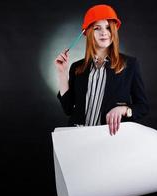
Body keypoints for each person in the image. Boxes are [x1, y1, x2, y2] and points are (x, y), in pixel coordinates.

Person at [55, 4, 149, 135]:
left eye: (108, 27)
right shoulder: (77, 67)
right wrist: (62, 73)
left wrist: (124, 109)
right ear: (88, 32)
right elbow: (68, 109)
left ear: (114, 31)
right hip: (78, 139)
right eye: (97, 28)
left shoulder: (130, 65)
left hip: (110, 140)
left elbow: (143, 107)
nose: (104, 32)